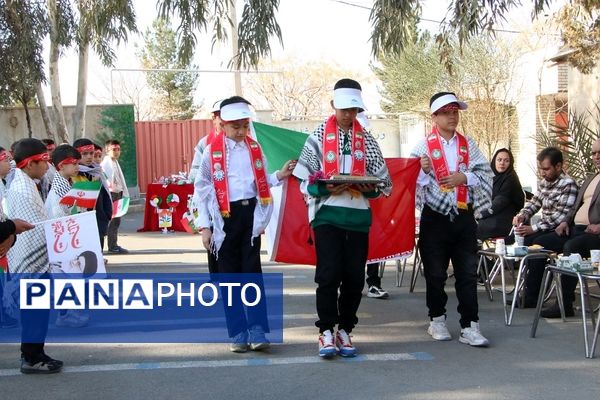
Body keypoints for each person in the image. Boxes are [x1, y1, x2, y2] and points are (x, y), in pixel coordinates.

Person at [293, 79, 392, 357]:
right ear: (333, 105)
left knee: (353, 278)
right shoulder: (318, 135)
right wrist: (326, 186)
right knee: (328, 275)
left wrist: (368, 187)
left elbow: (382, 182)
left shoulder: (368, 139)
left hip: (358, 218)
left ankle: (345, 329)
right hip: (327, 216)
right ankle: (325, 331)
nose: (349, 115)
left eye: (354, 110)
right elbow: (304, 182)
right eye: (345, 109)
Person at [195, 96, 296, 353]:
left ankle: (257, 329)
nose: (240, 132)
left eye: (244, 126)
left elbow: (259, 182)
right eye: (235, 127)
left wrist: (279, 175)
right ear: (222, 124)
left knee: (252, 274)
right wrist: (205, 226)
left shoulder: (254, 149)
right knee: (230, 278)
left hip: (249, 217)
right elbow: (202, 190)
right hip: (223, 220)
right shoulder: (211, 152)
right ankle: (237, 332)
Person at [410, 92, 493, 347]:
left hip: (463, 215)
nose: (452, 116)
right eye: (446, 112)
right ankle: (437, 319)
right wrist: (422, 172)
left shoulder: (468, 144)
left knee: (467, 272)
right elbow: (410, 183)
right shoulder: (422, 147)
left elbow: (485, 172)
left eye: (455, 111)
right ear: (434, 116)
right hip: (434, 216)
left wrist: (463, 178)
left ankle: (470, 325)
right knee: (435, 273)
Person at [520, 139, 600, 317]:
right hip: (573, 228)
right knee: (536, 243)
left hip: (593, 233)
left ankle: (564, 304)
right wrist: (565, 221)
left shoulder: (568, 183)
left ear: (558, 166)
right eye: (594, 153)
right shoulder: (591, 178)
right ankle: (532, 295)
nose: (596, 157)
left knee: (570, 248)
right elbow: (573, 209)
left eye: (599, 153)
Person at [6, 138, 63, 374]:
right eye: (45, 161)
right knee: (34, 313)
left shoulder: (26, 183)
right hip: (30, 263)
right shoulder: (23, 189)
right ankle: (31, 357)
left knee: (38, 313)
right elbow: (37, 228)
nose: (48, 166)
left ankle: (36, 352)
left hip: (31, 261)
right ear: (30, 164)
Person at [512, 147, 578, 307]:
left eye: (546, 169)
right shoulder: (544, 183)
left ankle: (533, 296)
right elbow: (534, 203)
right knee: (525, 241)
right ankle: (529, 293)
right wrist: (523, 215)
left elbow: (561, 216)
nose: (543, 173)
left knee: (538, 244)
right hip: (545, 228)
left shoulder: (568, 185)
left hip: (561, 231)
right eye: (541, 169)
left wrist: (534, 228)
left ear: (558, 166)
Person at [72, 138, 113, 252]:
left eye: (91, 153)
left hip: (99, 220)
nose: (89, 157)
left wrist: (106, 214)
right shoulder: (73, 175)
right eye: (84, 154)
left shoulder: (97, 172)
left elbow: (104, 195)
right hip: (81, 224)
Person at [477, 148, 525, 241]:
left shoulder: (511, 178)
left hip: (502, 222)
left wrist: (480, 214)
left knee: (468, 231)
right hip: (490, 218)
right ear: (494, 161)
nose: (502, 163)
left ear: (510, 163)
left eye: (506, 161)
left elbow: (499, 203)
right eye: (499, 160)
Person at [101, 139, 129, 254]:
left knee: (116, 220)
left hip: (118, 193)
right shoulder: (105, 164)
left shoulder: (115, 163)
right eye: (114, 149)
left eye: (118, 149)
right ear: (107, 150)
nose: (117, 152)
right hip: (110, 194)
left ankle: (113, 244)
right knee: (110, 221)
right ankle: (111, 246)